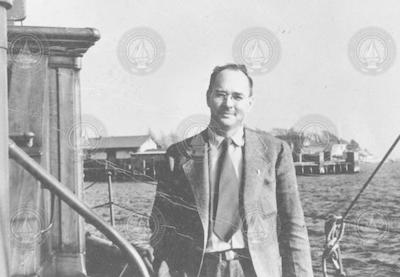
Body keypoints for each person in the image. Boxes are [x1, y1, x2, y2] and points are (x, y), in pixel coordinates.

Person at [150, 64, 314, 277]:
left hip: (257, 270)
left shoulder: (275, 152)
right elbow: (162, 227)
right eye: (221, 95)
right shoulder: (178, 155)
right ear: (208, 97)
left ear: (250, 103)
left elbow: (293, 227)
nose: (228, 104)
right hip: (199, 270)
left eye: (237, 97)